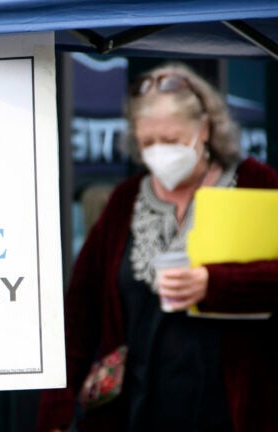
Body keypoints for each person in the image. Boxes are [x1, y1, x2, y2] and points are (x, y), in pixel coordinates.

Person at [36, 63, 278, 432]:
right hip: (138, 408)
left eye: (172, 141)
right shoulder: (125, 199)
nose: (159, 152)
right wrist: (56, 408)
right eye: (148, 142)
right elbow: (79, 310)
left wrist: (215, 284)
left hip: (235, 406)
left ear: (205, 129)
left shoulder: (256, 182)